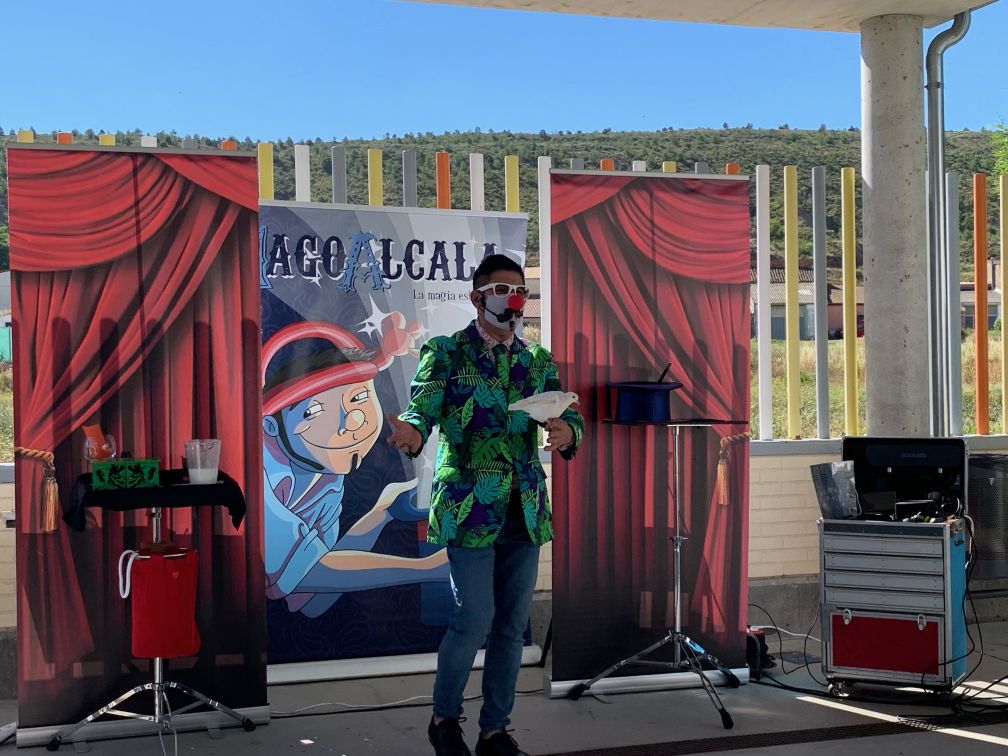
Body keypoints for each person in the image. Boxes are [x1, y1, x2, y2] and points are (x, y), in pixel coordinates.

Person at [388, 255, 584, 756]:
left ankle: (495, 730)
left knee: (511, 626)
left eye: (519, 291)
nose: (511, 299)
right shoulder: (446, 352)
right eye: (500, 289)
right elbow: (421, 411)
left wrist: (567, 433)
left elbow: (567, 413)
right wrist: (411, 435)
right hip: (468, 506)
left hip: (524, 507)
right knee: (473, 618)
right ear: (477, 297)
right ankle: (443, 720)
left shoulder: (537, 360)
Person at [262, 320, 449, 619]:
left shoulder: (326, 476)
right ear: (271, 426)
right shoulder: (260, 472)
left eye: (359, 398)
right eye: (314, 411)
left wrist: (380, 515)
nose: (353, 421)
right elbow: (310, 574)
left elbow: (313, 600)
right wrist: (426, 568)